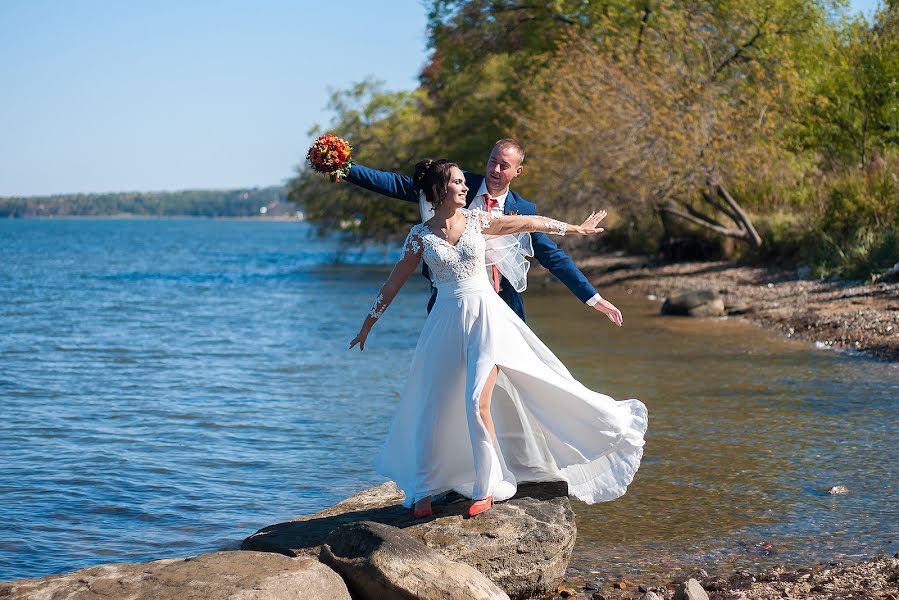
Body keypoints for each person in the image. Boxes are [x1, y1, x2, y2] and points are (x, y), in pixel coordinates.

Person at [350, 159, 647, 518]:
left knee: (477, 402)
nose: (465, 188)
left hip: (487, 319)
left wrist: (577, 229)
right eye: (458, 183)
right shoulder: (420, 236)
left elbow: (531, 222)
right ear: (438, 190)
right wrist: (368, 324)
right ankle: (426, 488)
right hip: (443, 322)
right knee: (434, 404)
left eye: (463, 182)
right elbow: (393, 282)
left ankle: (485, 486)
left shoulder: (478, 220)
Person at [344, 139, 623, 326]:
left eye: (504, 165)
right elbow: (397, 184)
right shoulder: (457, 185)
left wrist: (594, 299)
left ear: (518, 171)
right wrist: (345, 169)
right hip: (451, 304)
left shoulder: (522, 208)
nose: (496, 170)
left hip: (504, 304)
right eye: (492, 162)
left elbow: (554, 258)